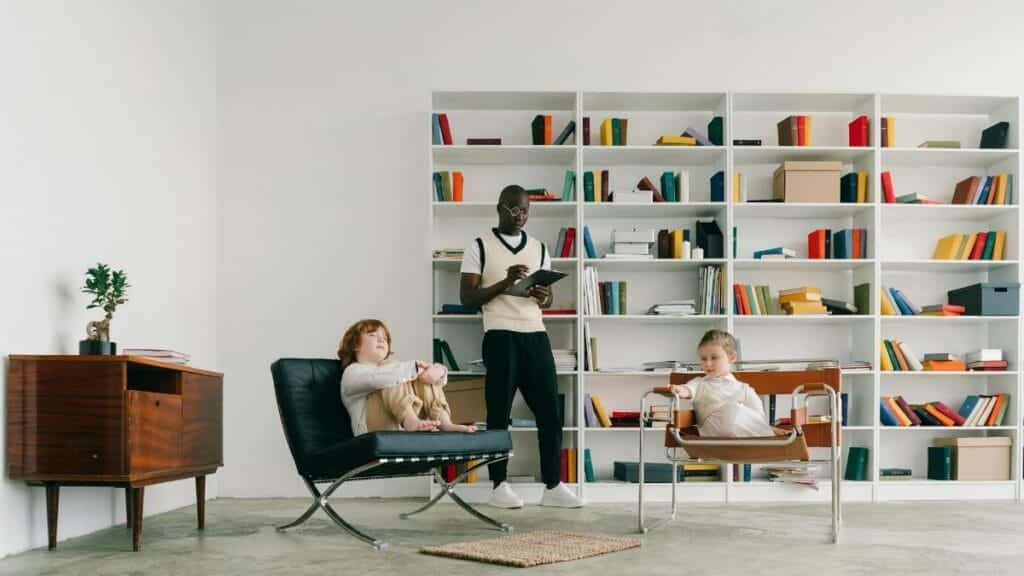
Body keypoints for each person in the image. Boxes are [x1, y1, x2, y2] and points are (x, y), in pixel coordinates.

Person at [459, 184, 583, 509]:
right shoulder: (479, 246)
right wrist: (504, 282)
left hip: (536, 335)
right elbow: (467, 297)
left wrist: (545, 296)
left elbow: (548, 296)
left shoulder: (540, 247)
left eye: (525, 210)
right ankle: (498, 485)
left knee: (549, 412)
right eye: (513, 209)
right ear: (500, 208)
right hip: (500, 335)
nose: (520, 216)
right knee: (499, 413)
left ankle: (553, 486)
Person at [339, 318, 476, 435]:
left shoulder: (395, 369)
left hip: (399, 423)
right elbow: (380, 378)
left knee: (421, 378)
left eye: (385, 338)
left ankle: (445, 422)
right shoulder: (352, 372)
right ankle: (410, 419)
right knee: (393, 370)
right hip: (371, 430)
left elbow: (430, 378)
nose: (381, 339)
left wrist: (437, 372)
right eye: (373, 335)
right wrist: (419, 368)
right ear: (355, 345)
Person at [669, 329, 774, 437]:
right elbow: (688, 389)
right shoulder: (699, 383)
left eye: (714, 358)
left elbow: (758, 417)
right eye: (703, 359)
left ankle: (768, 433)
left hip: (743, 437)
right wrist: (680, 390)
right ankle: (767, 432)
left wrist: (765, 426)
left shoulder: (743, 388)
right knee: (731, 409)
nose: (708, 364)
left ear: (731, 357)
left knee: (744, 405)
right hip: (713, 434)